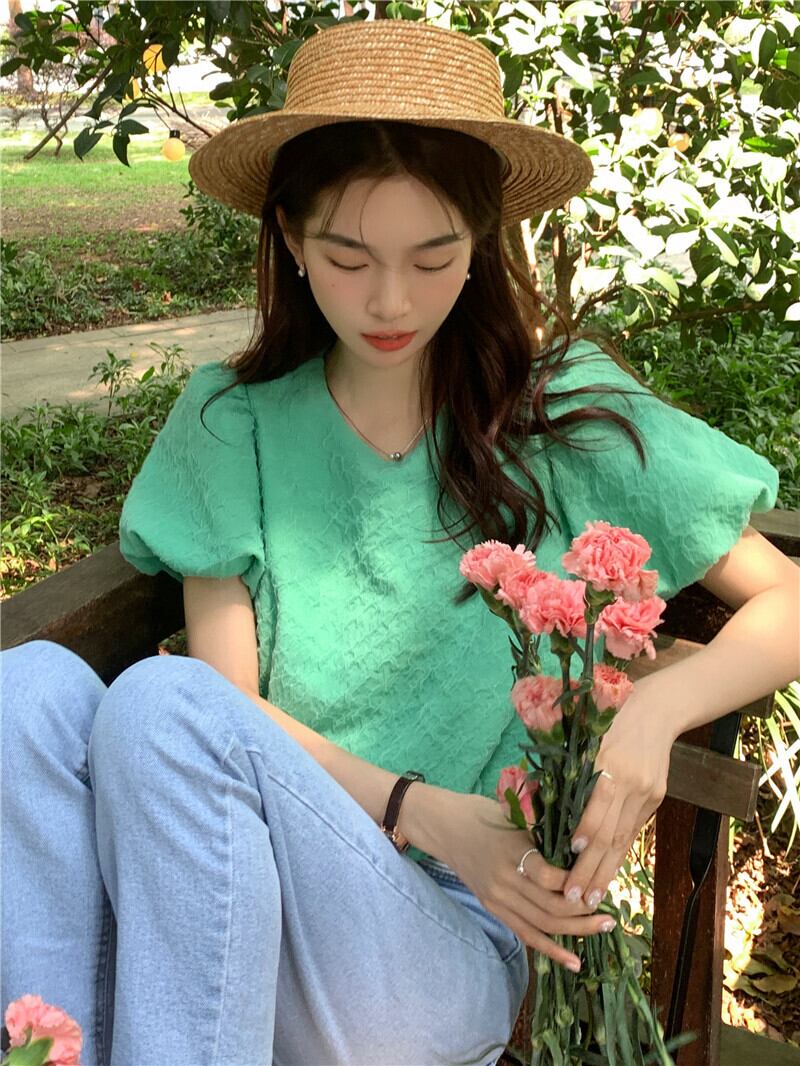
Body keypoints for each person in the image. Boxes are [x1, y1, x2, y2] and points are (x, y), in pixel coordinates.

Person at [3, 17, 797, 1066]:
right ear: (291, 240)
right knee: (26, 694)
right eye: (347, 257)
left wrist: (656, 706)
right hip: (234, 901)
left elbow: (788, 599)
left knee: (157, 700)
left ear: (481, 244)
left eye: (433, 258)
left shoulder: (557, 410)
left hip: (440, 936)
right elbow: (224, 721)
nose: (390, 301)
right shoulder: (232, 424)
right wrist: (417, 807)